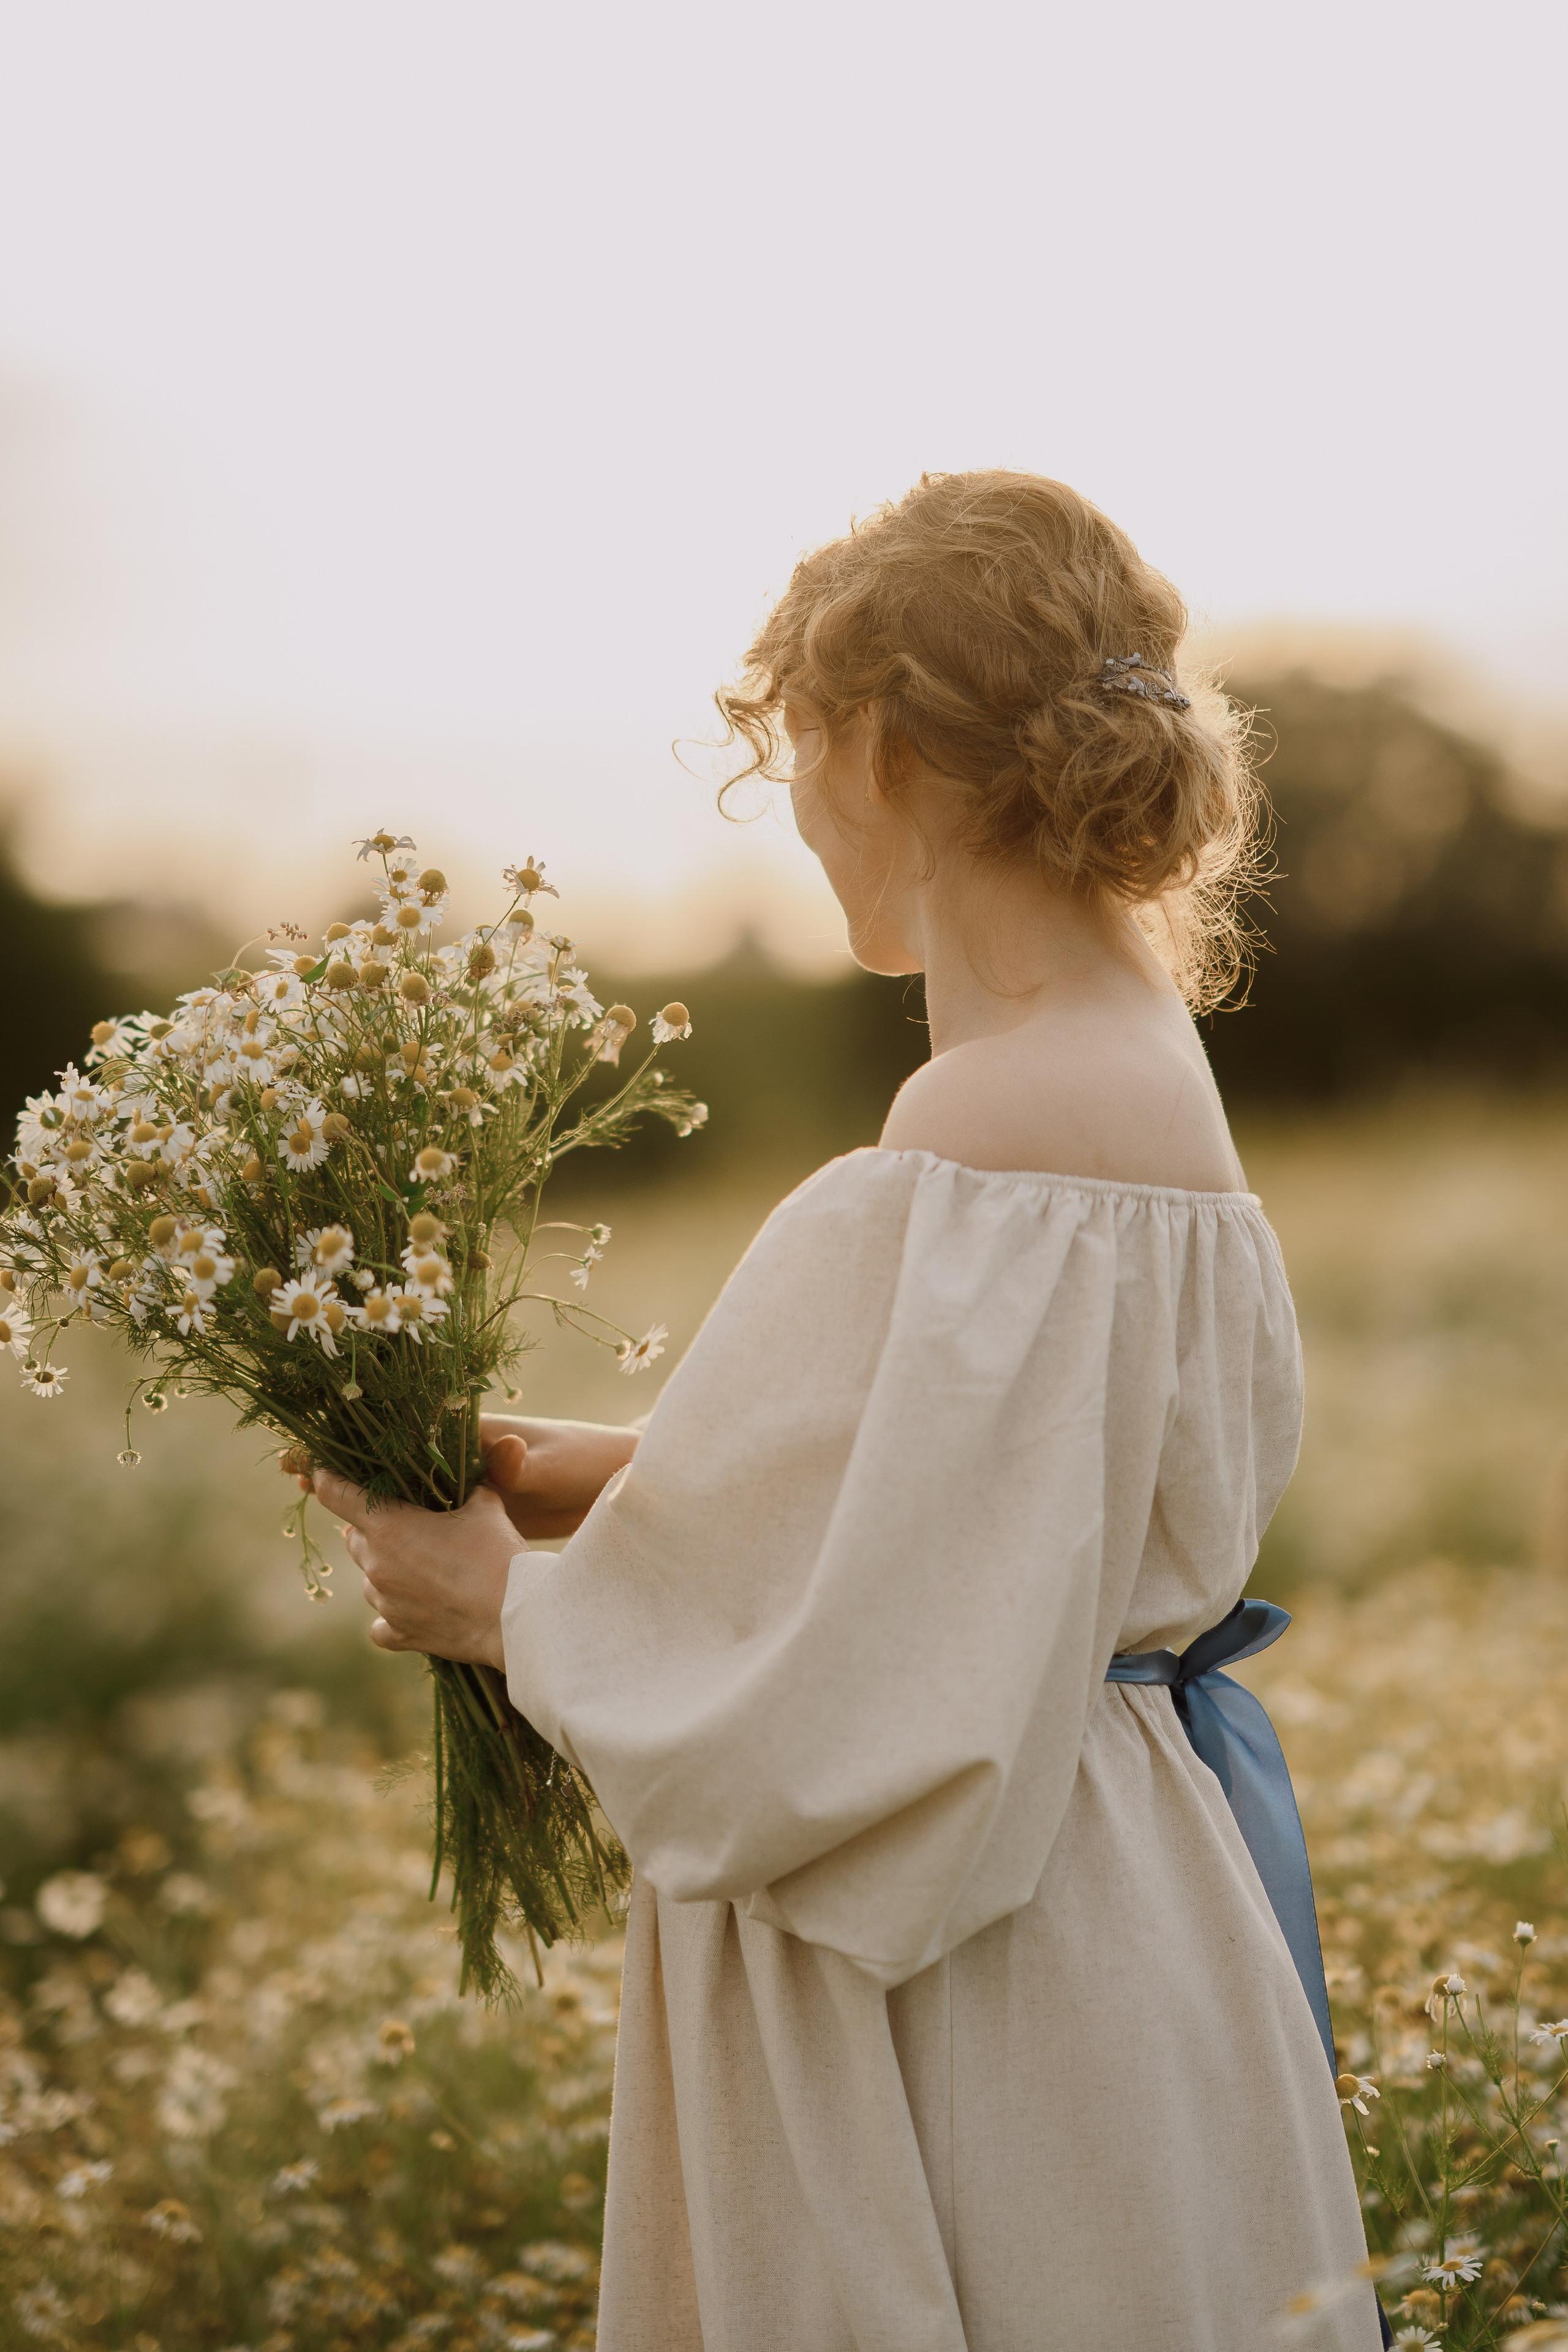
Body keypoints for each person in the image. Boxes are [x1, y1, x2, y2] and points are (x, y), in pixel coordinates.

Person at [315, 472, 1382, 2350]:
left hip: (980, 1971)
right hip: (1125, 1901)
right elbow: (999, 1507)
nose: (797, 812)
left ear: (884, 750)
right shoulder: (1139, 1079)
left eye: (796, 755)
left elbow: (861, 1698)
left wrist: (498, 1604)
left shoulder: (982, 1134)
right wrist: (612, 1478)